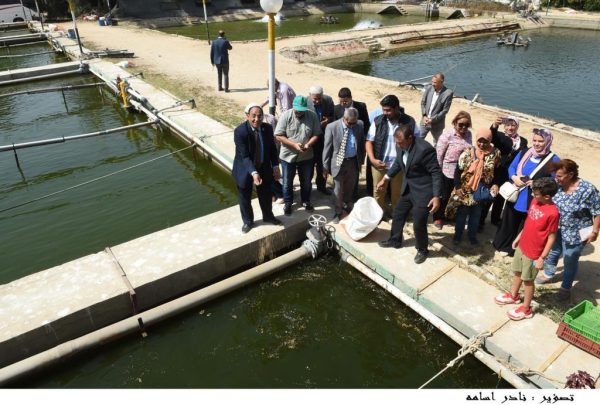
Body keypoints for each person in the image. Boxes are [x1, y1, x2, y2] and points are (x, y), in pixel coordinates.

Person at [494, 178, 559, 320]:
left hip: (534, 253)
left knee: (528, 280)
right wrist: (518, 237)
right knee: (517, 272)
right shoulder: (535, 202)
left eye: (536, 194)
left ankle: (526, 308)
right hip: (523, 246)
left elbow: (552, 237)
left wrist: (542, 257)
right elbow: (528, 221)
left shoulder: (553, 213)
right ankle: (513, 295)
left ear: (547, 196)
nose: (532, 196)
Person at [376, 124, 443, 264]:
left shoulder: (425, 150)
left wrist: (436, 196)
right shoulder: (400, 144)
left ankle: (422, 249)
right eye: (396, 142)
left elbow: (436, 173)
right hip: (408, 189)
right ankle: (395, 240)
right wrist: (386, 178)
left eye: (400, 142)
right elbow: (398, 163)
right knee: (398, 214)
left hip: (424, 192)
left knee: (418, 223)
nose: (398, 145)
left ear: (410, 138)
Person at [538, 159, 600, 301]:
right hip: (557, 228)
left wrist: (595, 231)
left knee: (569, 259)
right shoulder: (557, 186)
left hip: (577, 233)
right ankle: (548, 274)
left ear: (570, 174)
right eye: (555, 175)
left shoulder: (587, 189)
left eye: (559, 176)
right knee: (554, 251)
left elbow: (598, 211)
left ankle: (565, 288)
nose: (556, 178)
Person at [493, 128, 560, 256]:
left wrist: (537, 185)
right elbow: (512, 167)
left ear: (548, 142)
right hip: (516, 194)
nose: (536, 144)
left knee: (525, 225)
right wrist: (514, 177)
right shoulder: (524, 152)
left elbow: (554, 182)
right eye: (534, 140)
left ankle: (515, 250)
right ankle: (502, 245)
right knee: (509, 220)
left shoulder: (554, 160)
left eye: (540, 141)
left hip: (534, 199)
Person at [366, 94, 420, 219]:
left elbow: (417, 141)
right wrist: (372, 159)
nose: (385, 113)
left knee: (397, 193)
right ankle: (378, 216)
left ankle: (397, 215)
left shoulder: (409, 122)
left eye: (388, 110)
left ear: (397, 108)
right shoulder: (378, 121)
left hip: (399, 166)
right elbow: (369, 141)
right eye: (384, 110)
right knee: (379, 192)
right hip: (380, 164)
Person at [232, 103, 282, 233]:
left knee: (265, 194)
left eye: (259, 116)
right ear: (247, 116)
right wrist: (254, 173)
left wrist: (275, 166)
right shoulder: (240, 132)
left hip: (264, 167)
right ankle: (248, 222)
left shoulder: (267, 128)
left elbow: (272, 149)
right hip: (244, 169)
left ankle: (268, 216)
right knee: (245, 197)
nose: (256, 119)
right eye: (253, 116)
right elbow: (245, 156)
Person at [445, 128, 500, 245]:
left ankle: (472, 236)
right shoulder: (468, 151)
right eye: (479, 141)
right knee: (461, 215)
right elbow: (458, 170)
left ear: (490, 140)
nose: (482, 144)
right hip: (465, 190)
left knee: (476, 216)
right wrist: (458, 186)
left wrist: (495, 184)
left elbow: (499, 171)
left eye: (485, 141)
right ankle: (458, 236)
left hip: (480, 191)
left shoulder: (495, 153)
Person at [274, 95, 322, 216]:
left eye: (302, 110)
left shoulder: (312, 116)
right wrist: (294, 145)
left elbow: (317, 134)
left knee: (306, 181)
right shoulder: (286, 116)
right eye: (297, 110)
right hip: (288, 155)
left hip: (306, 156)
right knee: (287, 182)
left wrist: (308, 144)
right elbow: (278, 135)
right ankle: (288, 202)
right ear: (293, 107)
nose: (299, 112)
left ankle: (305, 201)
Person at [480, 115, 528, 229]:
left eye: (513, 125)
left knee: (501, 197)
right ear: (504, 127)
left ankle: (495, 219)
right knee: (489, 196)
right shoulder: (500, 136)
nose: (510, 128)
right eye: (507, 125)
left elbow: (523, 157)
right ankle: (480, 221)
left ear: (517, 126)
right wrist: (495, 125)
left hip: (510, 174)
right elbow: (492, 134)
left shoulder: (523, 141)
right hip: (496, 171)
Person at [323, 107, 365, 224]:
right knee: (338, 189)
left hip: (353, 162)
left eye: (354, 122)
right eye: (350, 123)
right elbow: (327, 148)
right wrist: (325, 167)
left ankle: (346, 205)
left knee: (350, 187)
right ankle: (338, 211)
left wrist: (361, 161)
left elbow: (361, 144)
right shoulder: (332, 127)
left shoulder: (359, 125)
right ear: (344, 119)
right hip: (338, 163)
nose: (352, 125)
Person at [433, 111, 473, 230]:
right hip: (447, 170)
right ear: (455, 123)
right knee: (444, 196)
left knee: (456, 196)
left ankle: (450, 215)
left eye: (466, 125)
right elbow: (439, 154)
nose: (463, 127)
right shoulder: (447, 135)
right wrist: (438, 172)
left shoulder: (468, 134)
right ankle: (438, 217)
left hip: (462, 170)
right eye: (461, 124)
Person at [333, 87, 371, 197]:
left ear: (350, 99)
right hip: (342, 145)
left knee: (355, 170)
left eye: (345, 101)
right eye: (340, 101)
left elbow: (366, 124)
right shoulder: (336, 109)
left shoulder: (361, 106)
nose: (343, 103)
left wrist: (362, 139)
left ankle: (353, 194)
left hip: (356, 144)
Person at [306, 85, 335, 195]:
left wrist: (328, 121)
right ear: (310, 96)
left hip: (324, 139)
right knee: (309, 164)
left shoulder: (328, 100)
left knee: (322, 163)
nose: (317, 101)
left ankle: (321, 186)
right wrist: (319, 125)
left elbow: (333, 116)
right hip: (310, 139)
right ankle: (307, 187)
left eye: (319, 98)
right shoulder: (305, 102)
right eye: (315, 99)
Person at [420, 73, 454, 146]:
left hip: (437, 124)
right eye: (432, 81)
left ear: (441, 82)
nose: (432, 84)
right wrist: (424, 115)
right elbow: (423, 103)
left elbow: (445, 111)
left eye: (435, 82)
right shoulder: (429, 88)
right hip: (424, 121)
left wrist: (432, 119)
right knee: (418, 140)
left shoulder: (448, 93)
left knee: (438, 143)